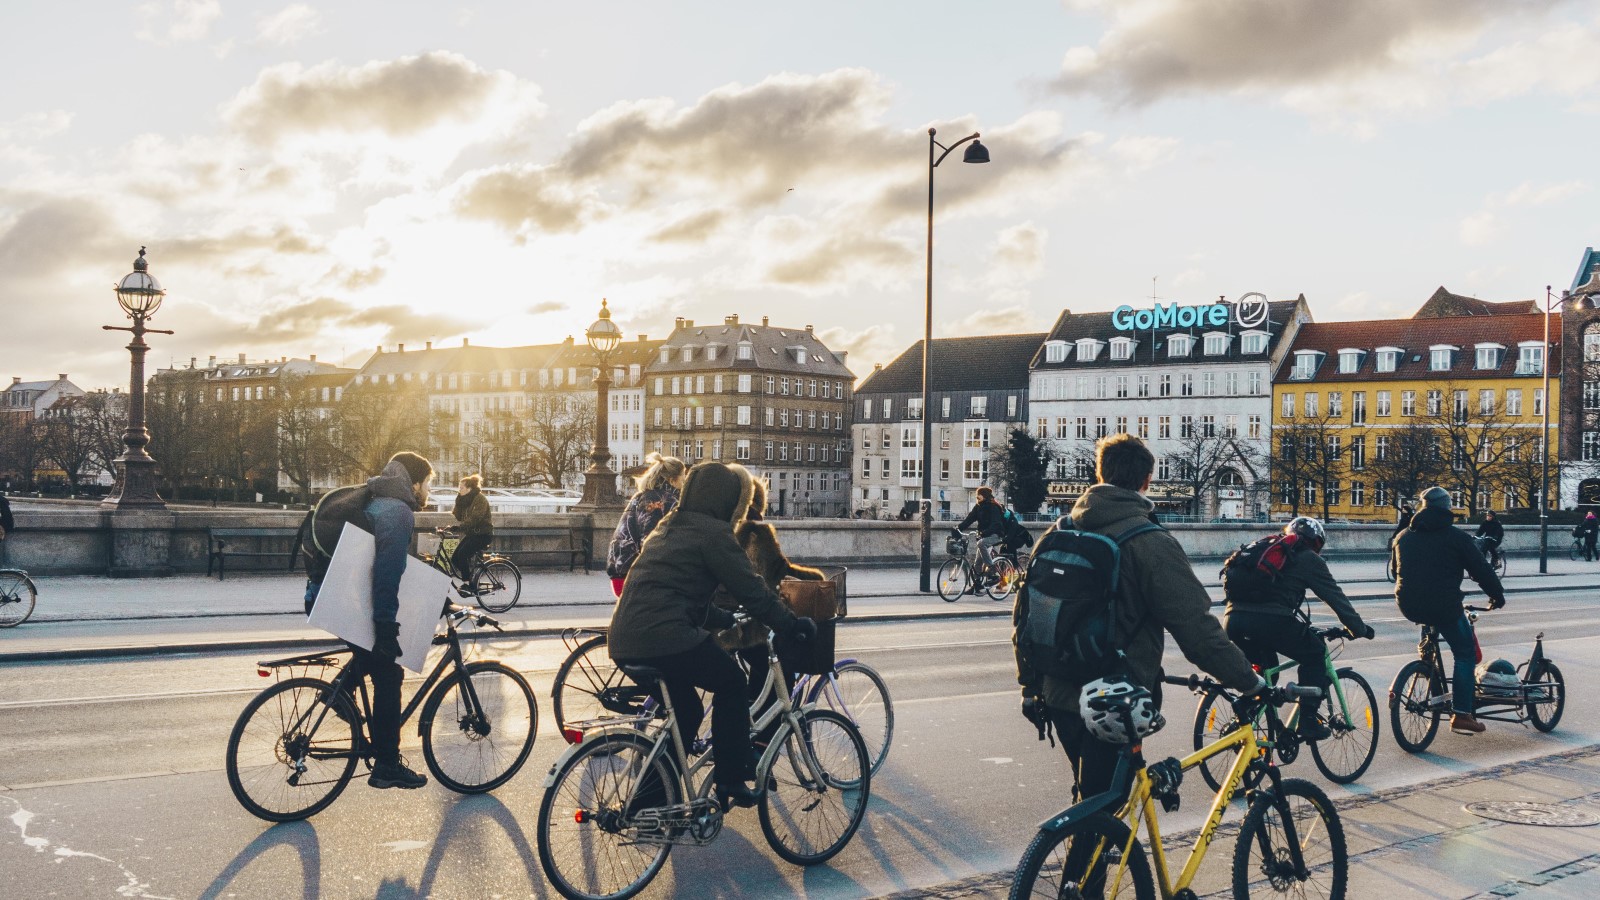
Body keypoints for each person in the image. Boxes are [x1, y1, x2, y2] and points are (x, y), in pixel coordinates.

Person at [1017, 434, 1262, 808]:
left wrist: (1030, 688)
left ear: (1100, 473)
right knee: (1102, 812)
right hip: (1114, 703)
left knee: (1090, 800)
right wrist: (1248, 681)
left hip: (1057, 692)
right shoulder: (1150, 542)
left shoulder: (1061, 530)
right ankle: (1087, 862)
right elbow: (1196, 630)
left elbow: (1026, 617)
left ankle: (1087, 851)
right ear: (1146, 481)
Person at [608, 461, 816, 808]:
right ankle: (731, 778)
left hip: (624, 639)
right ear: (729, 501)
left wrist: (723, 618)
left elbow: (681, 593)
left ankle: (649, 803)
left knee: (687, 711)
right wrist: (791, 625)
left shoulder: (670, 524)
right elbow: (753, 590)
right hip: (664, 638)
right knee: (732, 683)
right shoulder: (713, 533)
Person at [304, 451, 435, 789]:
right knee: (388, 671)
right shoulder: (398, 511)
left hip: (322, 593)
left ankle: (337, 696)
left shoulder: (375, 500)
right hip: (344, 600)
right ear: (415, 482)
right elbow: (386, 575)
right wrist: (387, 628)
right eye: (429, 484)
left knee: (370, 654)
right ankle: (387, 765)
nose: (429, 493)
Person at [1223, 517, 1376, 742]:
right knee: (1314, 653)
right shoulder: (1307, 559)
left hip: (1233, 620)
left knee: (1266, 674)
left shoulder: (1267, 550)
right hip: (1271, 622)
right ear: (1316, 543)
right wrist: (1358, 628)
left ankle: (1245, 711)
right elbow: (1335, 597)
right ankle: (1308, 721)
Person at [1393, 485, 1507, 735]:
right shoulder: (1455, 537)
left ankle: (1426, 664)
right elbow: (1480, 569)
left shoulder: (1403, 536)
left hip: (1408, 604)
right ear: (1447, 509)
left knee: (1428, 621)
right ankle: (1462, 713)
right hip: (1443, 605)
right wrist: (1496, 595)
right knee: (1464, 653)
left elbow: (1394, 571)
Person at [606, 453, 687, 597]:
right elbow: (650, 541)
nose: (685, 481)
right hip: (637, 575)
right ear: (672, 479)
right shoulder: (665, 501)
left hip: (620, 568)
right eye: (683, 476)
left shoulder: (641, 496)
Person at [447, 474, 493, 585]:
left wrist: (460, 527)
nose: (459, 490)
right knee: (454, 558)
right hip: (473, 534)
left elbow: (475, 518)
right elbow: (459, 517)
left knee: (462, 554)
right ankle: (470, 577)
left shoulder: (479, 499)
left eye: (461, 488)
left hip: (483, 535)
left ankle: (467, 583)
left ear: (469, 488)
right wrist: (458, 502)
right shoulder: (466, 500)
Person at [956, 486, 1006, 588]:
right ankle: (976, 586)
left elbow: (996, 524)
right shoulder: (978, 507)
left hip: (995, 535)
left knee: (981, 543)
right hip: (984, 536)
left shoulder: (993, 507)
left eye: (979, 494)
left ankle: (992, 570)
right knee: (977, 563)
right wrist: (958, 528)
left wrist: (985, 532)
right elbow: (969, 519)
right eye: (976, 495)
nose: (977, 496)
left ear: (985, 496)